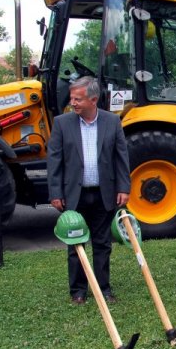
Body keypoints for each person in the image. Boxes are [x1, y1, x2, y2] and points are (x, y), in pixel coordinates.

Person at [47, 76, 131, 305]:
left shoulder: (112, 122)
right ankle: (78, 291)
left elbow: (121, 157)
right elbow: (54, 161)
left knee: (103, 244)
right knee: (76, 244)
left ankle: (103, 288)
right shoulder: (62, 123)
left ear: (93, 100)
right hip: (75, 195)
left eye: (78, 99)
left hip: (104, 193)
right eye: (72, 98)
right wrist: (55, 192)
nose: (73, 103)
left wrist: (124, 187)